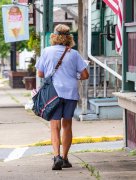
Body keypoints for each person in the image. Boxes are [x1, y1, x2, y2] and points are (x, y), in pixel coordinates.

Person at [35, 24, 89, 170]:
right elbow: (85, 75)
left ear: (54, 37)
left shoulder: (46, 52)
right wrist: (73, 75)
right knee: (67, 126)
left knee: (54, 126)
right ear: (69, 37)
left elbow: (40, 73)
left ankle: (56, 156)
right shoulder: (74, 53)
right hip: (70, 93)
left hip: (54, 93)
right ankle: (65, 158)